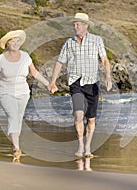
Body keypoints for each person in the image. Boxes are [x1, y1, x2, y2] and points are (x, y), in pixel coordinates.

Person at [48, 13, 112, 158]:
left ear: (86, 26)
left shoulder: (96, 40)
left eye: (78, 24)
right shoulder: (68, 43)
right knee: (78, 115)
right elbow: (60, 62)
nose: (75, 27)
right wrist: (53, 81)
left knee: (91, 118)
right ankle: (81, 145)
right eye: (74, 24)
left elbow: (104, 59)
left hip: (92, 83)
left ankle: (88, 146)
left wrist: (108, 76)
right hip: (75, 82)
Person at [0, 30, 49, 163]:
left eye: (17, 41)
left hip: (23, 93)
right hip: (5, 93)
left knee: (18, 119)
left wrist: (48, 84)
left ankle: (15, 143)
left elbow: (35, 73)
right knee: (13, 117)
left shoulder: (25, 56)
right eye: (12, 41)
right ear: (7, 44)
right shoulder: (0, 59)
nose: (15, 43)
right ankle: (16, 148)